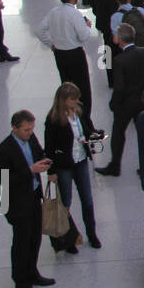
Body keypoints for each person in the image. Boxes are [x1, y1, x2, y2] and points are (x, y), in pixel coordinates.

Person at [0, 110, 56, 288]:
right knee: (21, 242)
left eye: (31, 129)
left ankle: (32, 272)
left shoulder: (30, 139)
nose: (30, 133)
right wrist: (30, 170)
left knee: (34, 238)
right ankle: (21, 283)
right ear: (15, 128)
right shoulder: (4, 149)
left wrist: (47, 163)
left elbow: (39, 153)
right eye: (26, 129)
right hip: (17, 202)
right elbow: (5, 180)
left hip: (33, 196)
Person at [43, 83, 101, 253]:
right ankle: (69, 239)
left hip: (81, 160)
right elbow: (49, 147)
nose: (76, 101)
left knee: (88, 201)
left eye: (77, 98)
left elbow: (87, 129)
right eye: (73, 99)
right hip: (64, 165)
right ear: (63, 100)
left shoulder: (79, 111)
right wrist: (51, 171)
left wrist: (93, 135)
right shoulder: (53, 119)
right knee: (65, 202)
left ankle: (92, 234)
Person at [101, 23, 144, 176]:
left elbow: (119, 87)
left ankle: (115, 166)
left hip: (125, 103)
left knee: (118, 132)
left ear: (120, 39)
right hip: (141, 102)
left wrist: (114, 103)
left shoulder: (120, 60)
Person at [36, 0, 98, 133]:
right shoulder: (74, 13)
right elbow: (84, 36)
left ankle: (70, 121)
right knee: (83, 91)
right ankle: (86, 126)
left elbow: (39, 30)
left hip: (60, 55)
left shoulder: (53, 12)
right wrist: (87, 26)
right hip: (75, 54)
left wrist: (51, 43)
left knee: (67, 89)